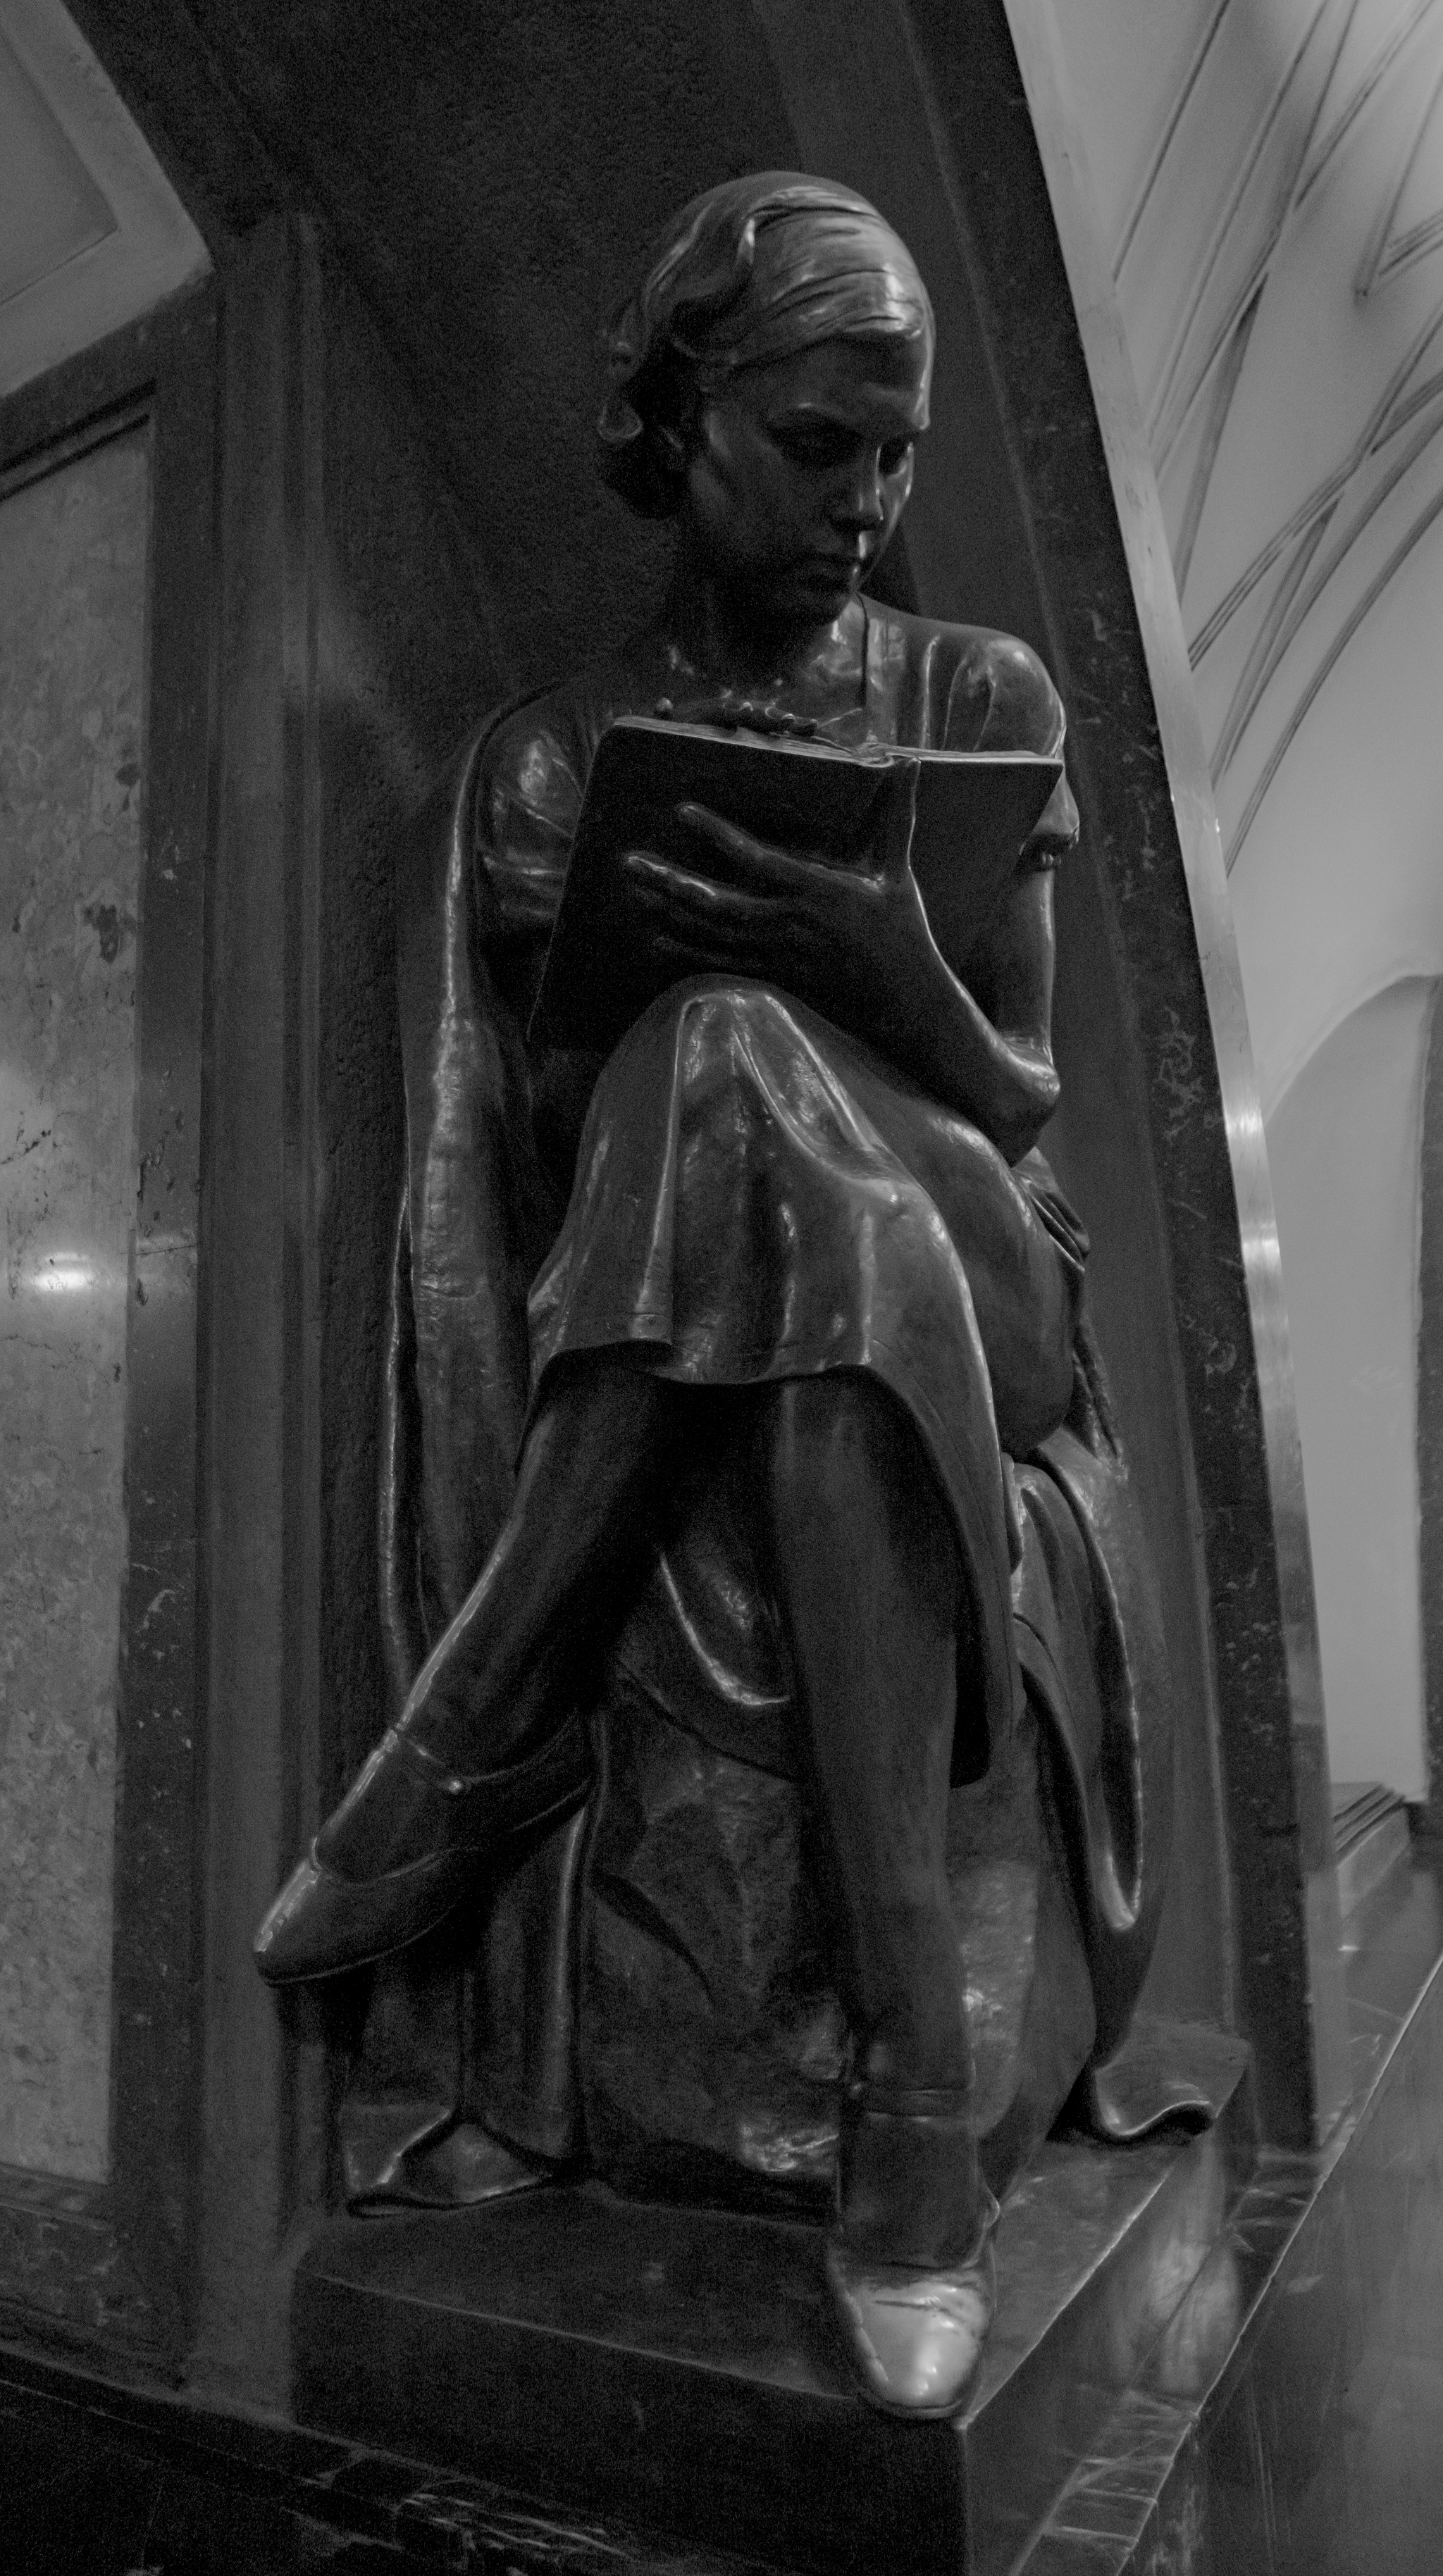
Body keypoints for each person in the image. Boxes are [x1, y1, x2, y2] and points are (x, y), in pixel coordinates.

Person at [255, 173, 1171, 2418]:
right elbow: (553, 1140)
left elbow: (1028, 1094)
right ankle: (912, 2092)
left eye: (901, 451)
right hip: (738, 1276)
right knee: (741, 1102)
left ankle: (471, 1728)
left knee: (770, 1089)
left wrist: (881, 963)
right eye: (820, 441)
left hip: (993, 1258)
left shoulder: (977, 688)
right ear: (679, 423)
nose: (872, 500)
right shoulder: (557, 756)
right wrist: (733, 1018)